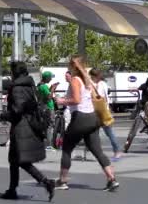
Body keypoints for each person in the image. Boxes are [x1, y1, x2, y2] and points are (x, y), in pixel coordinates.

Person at [54, 55, 119, 192]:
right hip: (92, 118)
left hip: (80, 118)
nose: (67, 66)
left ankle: (63, 180)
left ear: (73, 66)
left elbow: (77, 100)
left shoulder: (76, 80)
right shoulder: (87, 80)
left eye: (69, 64)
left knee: (66, 148)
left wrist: (61, 101)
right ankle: (111, 179)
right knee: (97, 151)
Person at [0, 62, 55, 201]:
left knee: (20, 160)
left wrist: (4, 115)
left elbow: (18, 109)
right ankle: (12, 190)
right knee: (14, 160)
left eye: (11, 72)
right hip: (28, 124)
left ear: (15, 73)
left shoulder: (17, 88)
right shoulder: (30, 85)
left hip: (21, 127)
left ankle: (46, 182)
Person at [89, 68, 122, 161]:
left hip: (98, 111)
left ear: (94, 76)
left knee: (104, 132)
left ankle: (115, 151)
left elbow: (96, 97)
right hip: (101, 110)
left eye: (91, 76)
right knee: (102, 133)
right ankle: (113, 151)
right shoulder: (102, 84)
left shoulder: (96, 85)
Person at [37, 71, 58, 150]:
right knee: (50, 125)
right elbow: (49, 97)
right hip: (48, 108)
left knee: (46, 125)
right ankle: (49, 145)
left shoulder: (40, 85)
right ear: (47, 78)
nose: (51, 79)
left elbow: (45, 95)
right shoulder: (44, 86)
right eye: (50, 78)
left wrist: (51, 89)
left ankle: (46, 143)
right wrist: (52, 89)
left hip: (43, 107)